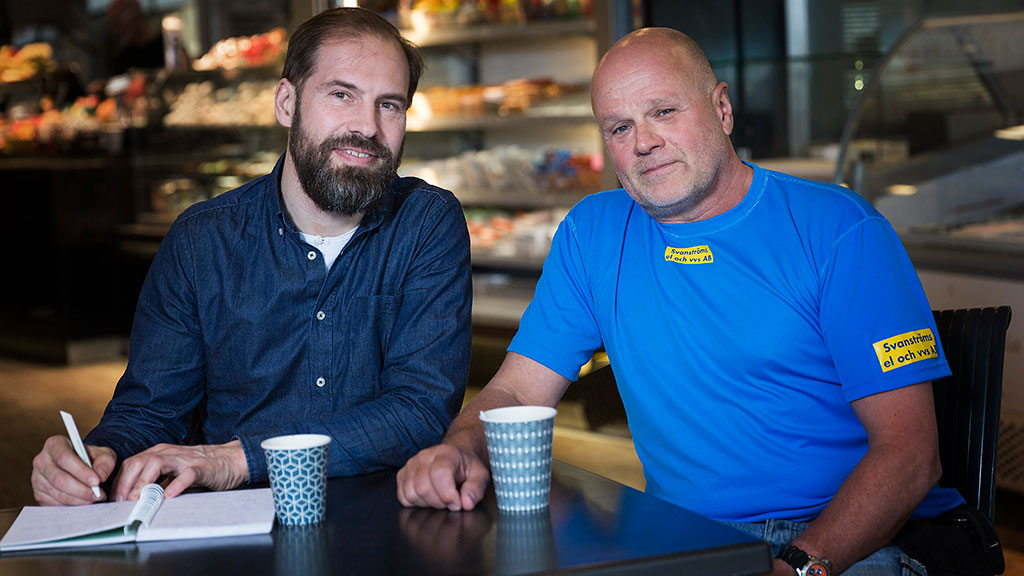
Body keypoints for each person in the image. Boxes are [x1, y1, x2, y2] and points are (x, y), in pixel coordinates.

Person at [397, 27, 965, 575]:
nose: (643, 142)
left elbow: (910, 455)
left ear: (721, 109)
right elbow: (518, 390)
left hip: (845, 535)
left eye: (663, 112)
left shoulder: (838, 229)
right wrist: (461, 447)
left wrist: (795, 566)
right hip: (680, 534)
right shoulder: (592, 233)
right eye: (619, 127)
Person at [32, 7, 471, 507]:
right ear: (287, 102)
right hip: (229, 527)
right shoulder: (202, 240)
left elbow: (418, 410)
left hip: (383, 519)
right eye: (341, 94)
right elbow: (150, 412)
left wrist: (236, 460)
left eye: (390, 105)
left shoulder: (426, 224)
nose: (368, 127)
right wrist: (93, 457)